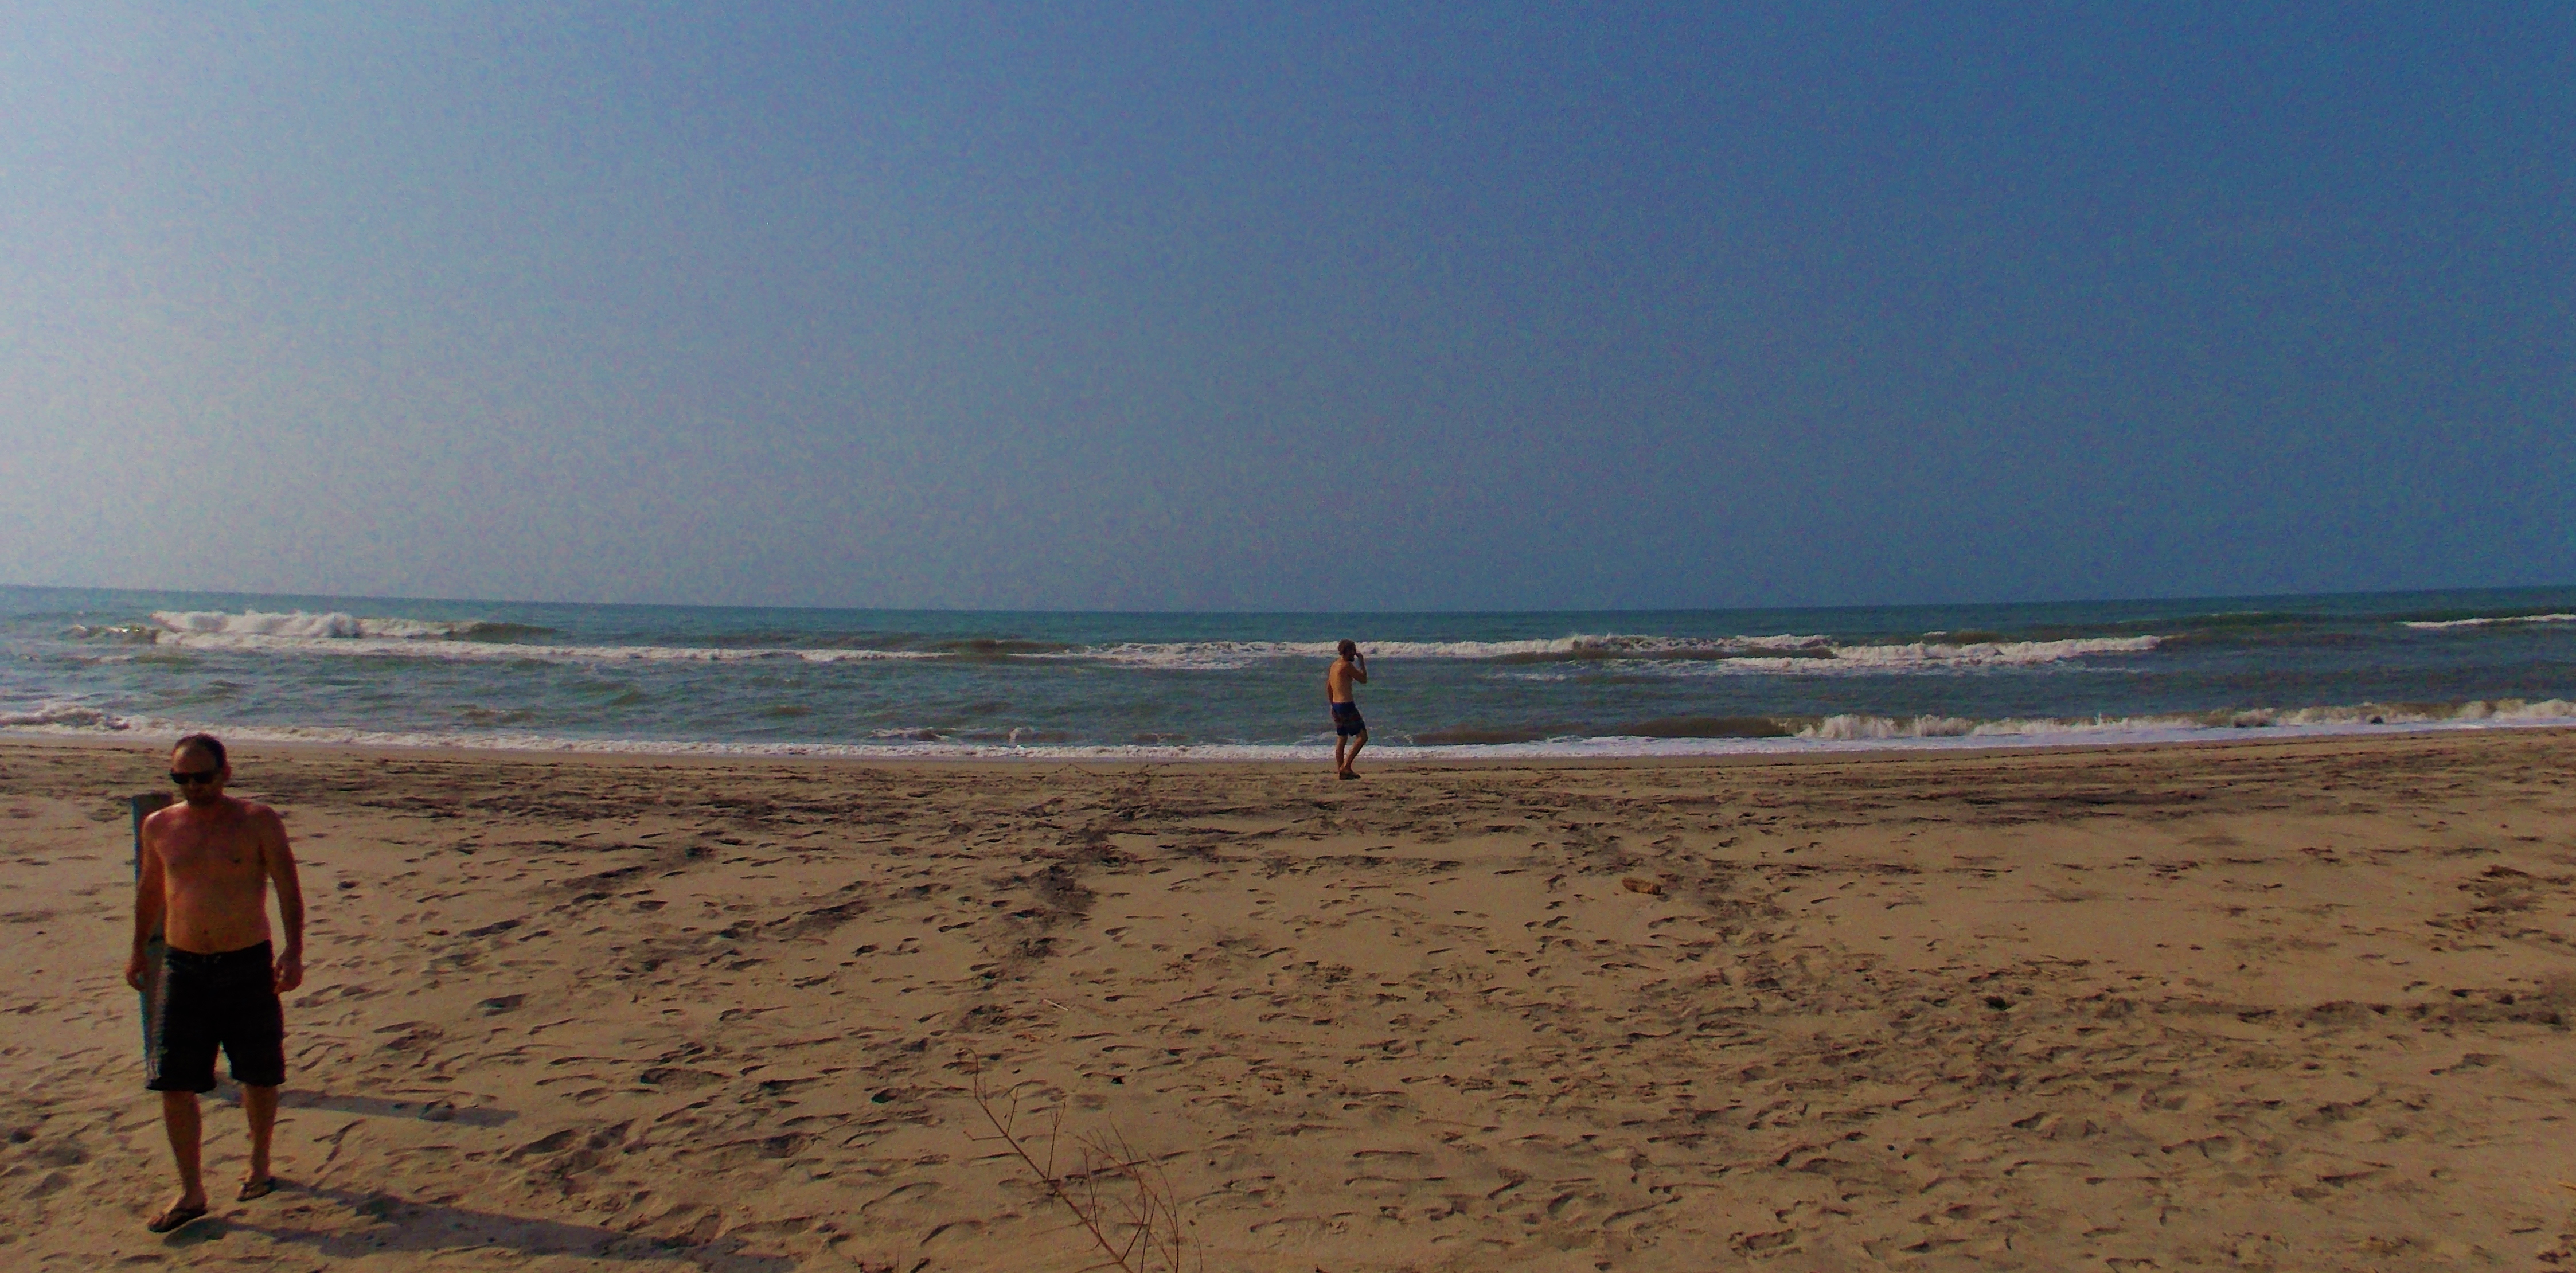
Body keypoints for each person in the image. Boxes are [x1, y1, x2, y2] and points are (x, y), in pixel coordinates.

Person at [127, 733, 305, 1233]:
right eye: (181, 778)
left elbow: (288, 886)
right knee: (174, 1081)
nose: (193, 786)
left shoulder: (257, 821)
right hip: (183, 966)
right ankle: (191, 1190)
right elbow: (151, 889)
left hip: (247, 962)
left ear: (225, 773)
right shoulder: (159, 825)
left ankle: (260, 1164)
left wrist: (294, 951)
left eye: (202, 777)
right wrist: (138, 949)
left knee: (259, 1073)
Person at [1326, 639, 1369, 779]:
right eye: (1353, 650)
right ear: (1348, 651)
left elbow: (1329, 687)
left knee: (1342, 738)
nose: (1355, 653)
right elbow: (1363, 680)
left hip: (1337, 704)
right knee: (1363, 737)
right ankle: (1346, 766)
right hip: (1346, 705)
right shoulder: (1347, 666)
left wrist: (1332, 705)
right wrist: (1362, 662)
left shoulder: (1334, 665)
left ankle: (1342, 771)